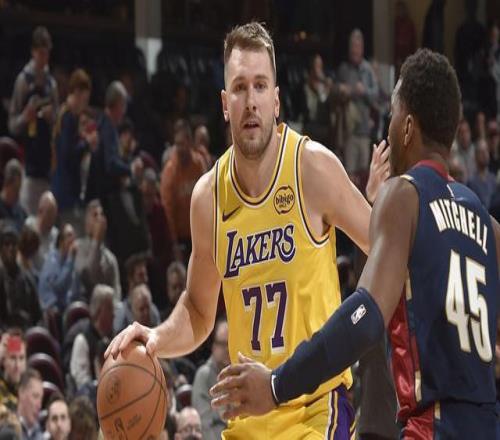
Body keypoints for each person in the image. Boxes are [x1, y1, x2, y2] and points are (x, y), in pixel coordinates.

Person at [210, 49, 500, 438]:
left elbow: (364, 317)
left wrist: (278, 384)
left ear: (407, 127)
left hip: (432, 425)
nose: (388, 127)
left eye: (392, 114)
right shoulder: (489, 226)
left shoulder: (405, 195)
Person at [107, 22, 372, 439]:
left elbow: (385, 248)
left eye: (260, 86)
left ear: (276, 100)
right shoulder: (208, 197)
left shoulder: (312, 168)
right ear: (225, 103)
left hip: (315, 409)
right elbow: (198, 311)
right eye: (240, 87)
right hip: (247, 420)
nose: (251, 101)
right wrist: (156, 338)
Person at [8, 26, 58, 216]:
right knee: (29, 218)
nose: (44, 58)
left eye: (47, 54)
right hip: (28, 163)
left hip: (47, 165)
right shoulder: (23, 80)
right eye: (41, 53)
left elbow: (57, 124)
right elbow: (12, 124)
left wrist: (51, 117)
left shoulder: (51, 84)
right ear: (33, 52)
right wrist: (25, 117)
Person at [192, 320, 229, 440]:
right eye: (222, 344)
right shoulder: (204, 375)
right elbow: (205, 424)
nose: (227, 349)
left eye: (230, 343)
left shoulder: (240, 373)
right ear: (214, 346)